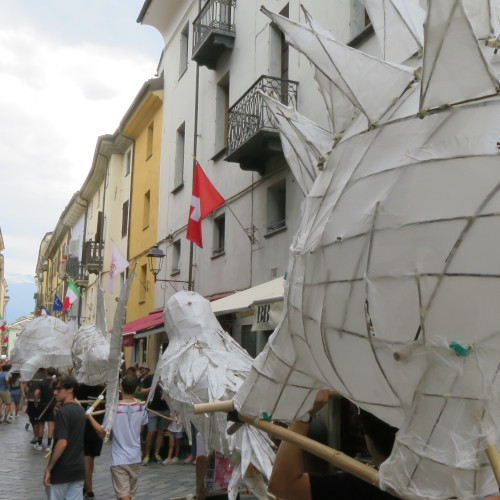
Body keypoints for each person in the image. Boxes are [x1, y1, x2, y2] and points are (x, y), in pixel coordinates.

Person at [268, 390, 399, 500]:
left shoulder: (368, 484)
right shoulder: (414, 483)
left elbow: (282, 485)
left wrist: (303, 416)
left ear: (369, 437)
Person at [86, 375, 148, 500]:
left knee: (124, 496)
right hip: (135, 457)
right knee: (126, 495)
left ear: (120, 387)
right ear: (136, 389)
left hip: (120, 458)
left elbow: (102, 433)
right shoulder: (141, 408)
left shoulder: (113, 410)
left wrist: (89, 417)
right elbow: (141, 429)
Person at [43, 375, 86, 500]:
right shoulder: (80, 410)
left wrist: (49, 469)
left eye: (58, 389)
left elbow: (62, 443)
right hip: (78, 468)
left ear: (70, 389)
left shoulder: (64, 412)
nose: (55, 392)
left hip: (62, 469)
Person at [77, 384, 106, 500]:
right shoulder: (84, 387)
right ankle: (87, 487)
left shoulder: (104, 389)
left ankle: (88, 489)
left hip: (93, 428)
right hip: (93, 427)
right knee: (89, 458)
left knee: (89, 459)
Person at [142, 383, 169, 466]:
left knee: (161, 432)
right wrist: (153, 386)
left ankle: (156, 453)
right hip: (153, 409)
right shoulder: (151, 378)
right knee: (151, 432)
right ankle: (146, 455)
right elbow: (142, 391)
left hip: (165, 409)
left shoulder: (168, 378)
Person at [35, 367, 57, 451]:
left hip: (43, 404)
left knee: (41, 425)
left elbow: (36, 393)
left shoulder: (42, 382)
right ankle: (49, 445)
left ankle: (40, 444)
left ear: (46, 373)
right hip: (52, 405)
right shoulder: (55, 383)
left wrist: (36, 402)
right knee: (51, 425)